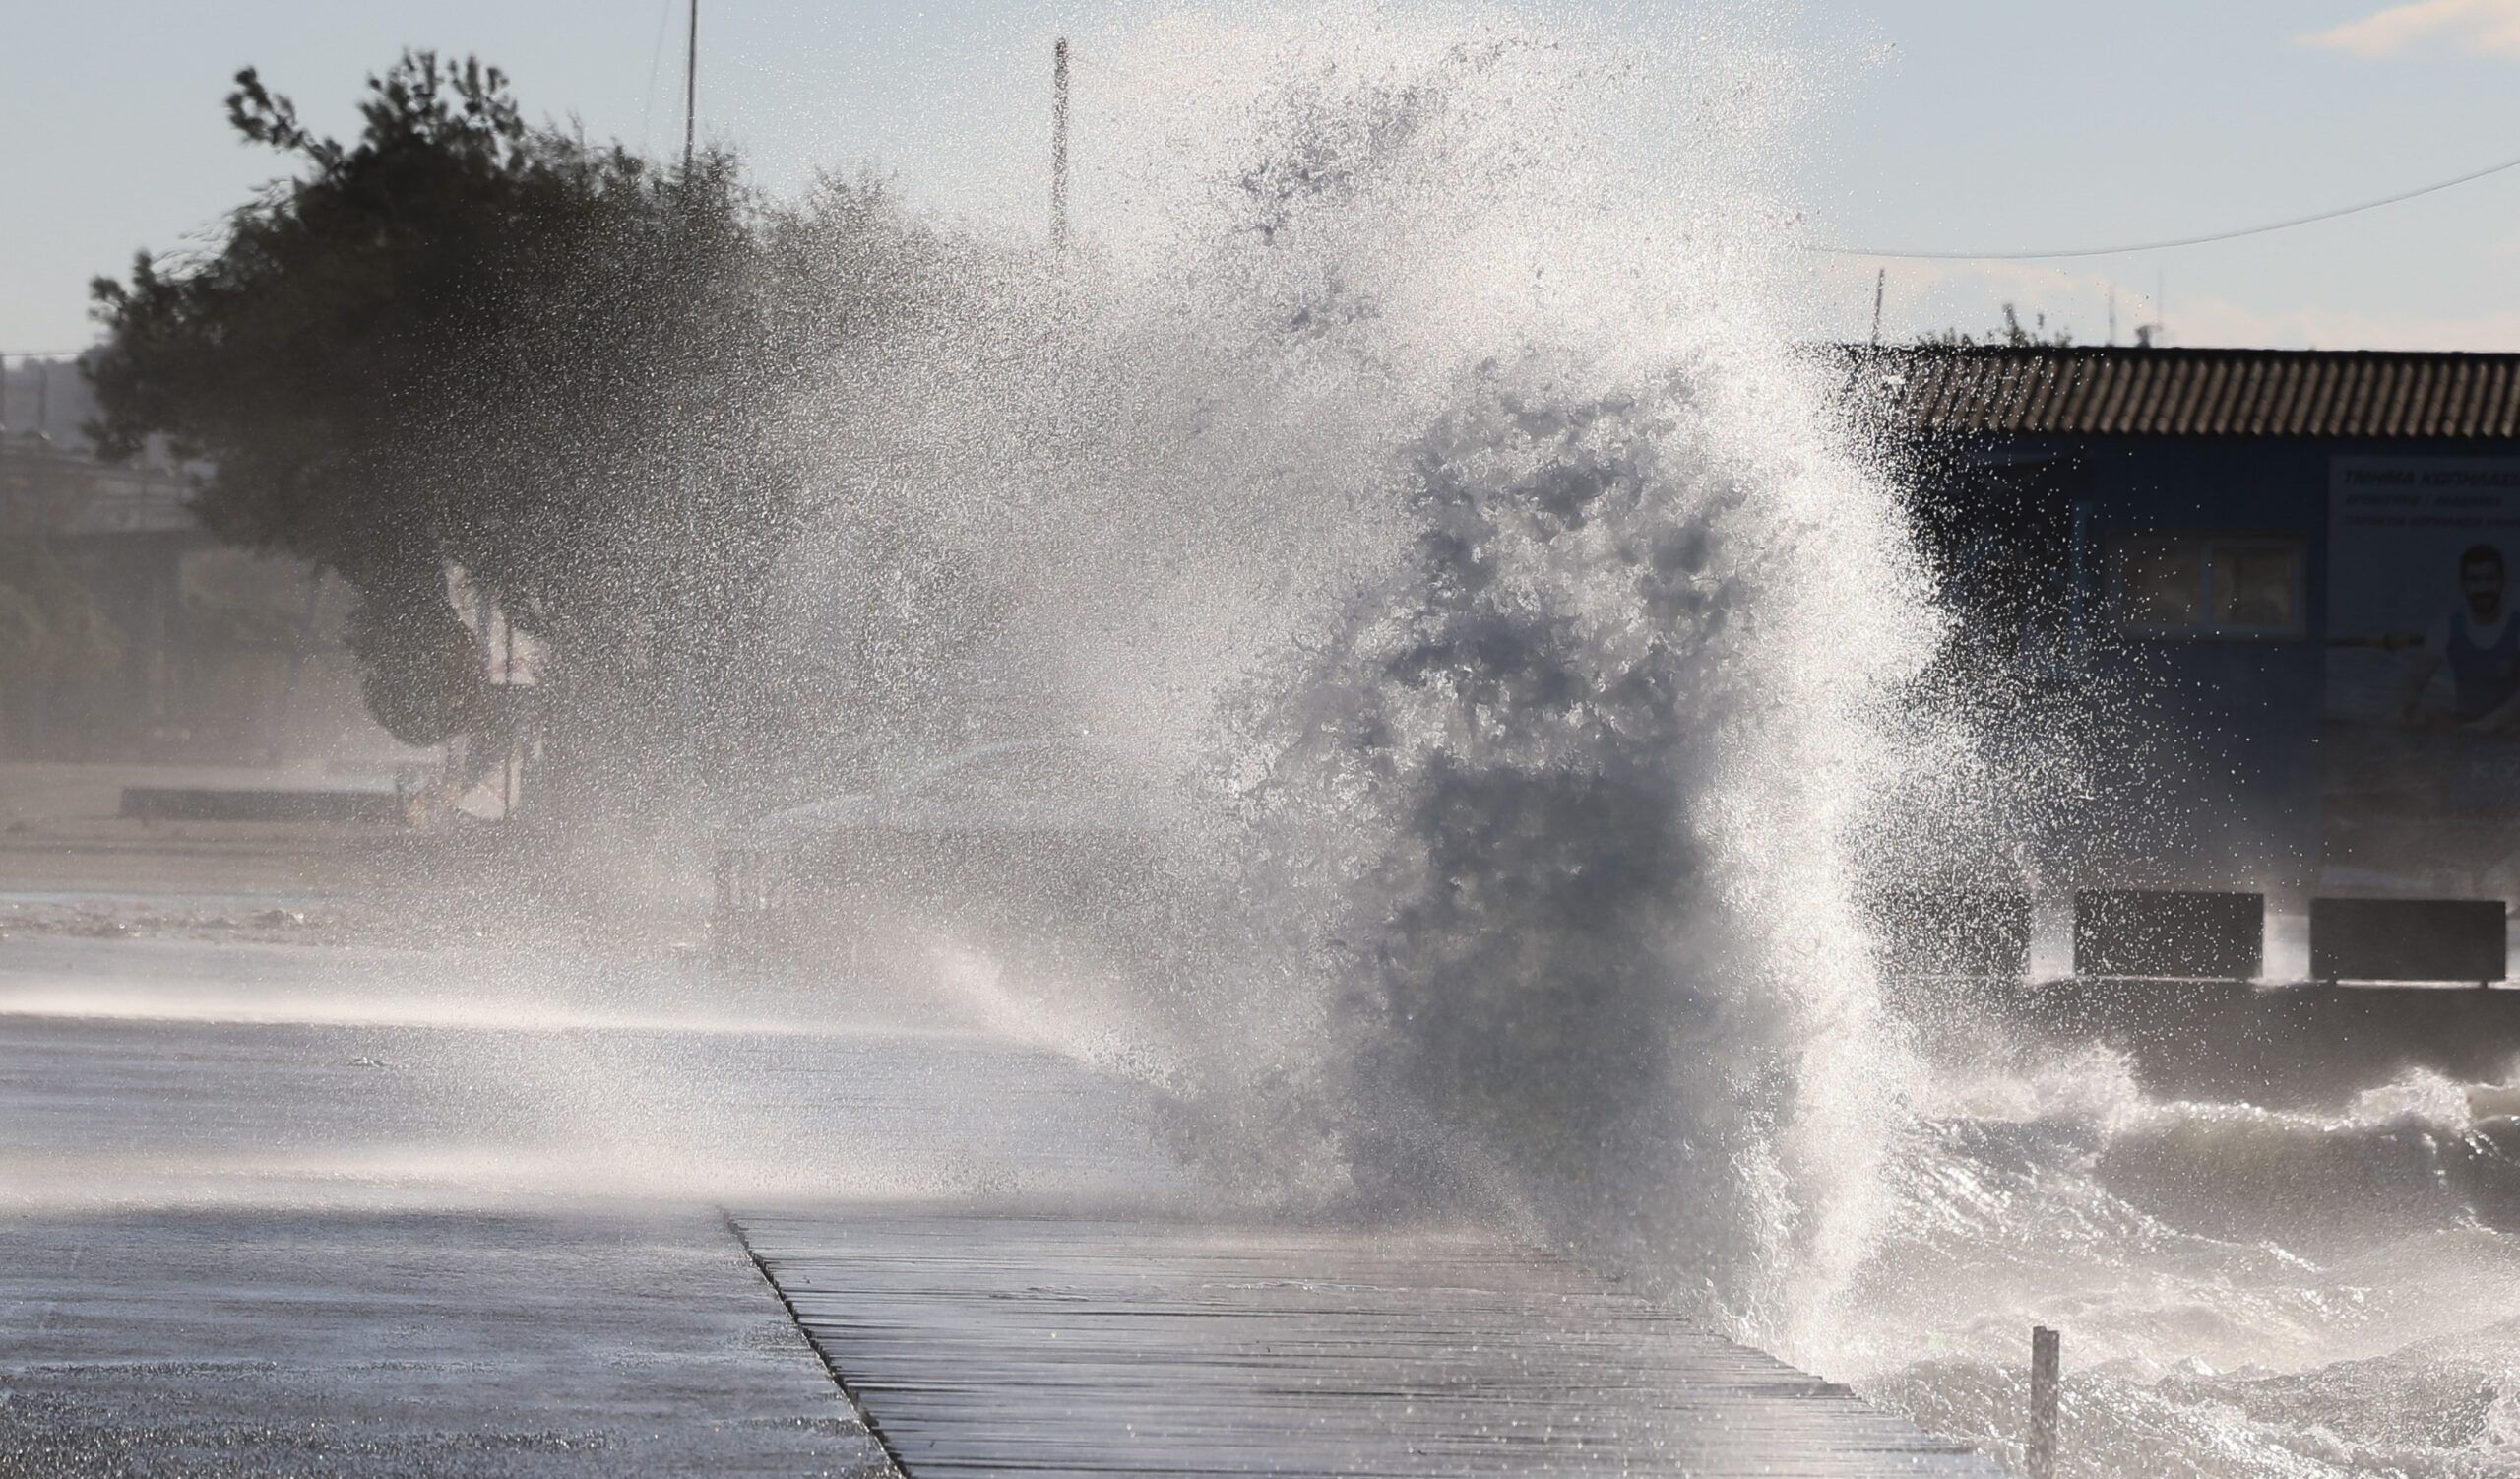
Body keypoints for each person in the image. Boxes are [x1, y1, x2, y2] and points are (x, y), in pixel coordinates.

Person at [2402, 543, 2520, 732]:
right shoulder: (2446, 625)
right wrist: (2403, 710)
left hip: (2509, 728)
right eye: (2474, 580)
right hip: (2466, 725)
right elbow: (2416, 679)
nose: (2483, 587)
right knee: (2426, 712)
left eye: (2490, 579)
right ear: (2463, 584)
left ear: (2502, 581)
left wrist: (2486, 726)